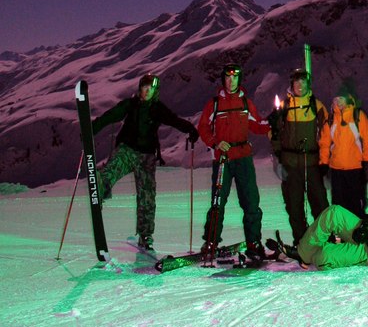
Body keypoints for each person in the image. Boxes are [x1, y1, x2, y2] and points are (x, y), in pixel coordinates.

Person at [92, 73, 198, 250]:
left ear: (155, 91)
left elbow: (174, 120)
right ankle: (100, 188)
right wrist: (92, 129)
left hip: (147, 156)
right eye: (145, 88)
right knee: (113, 168)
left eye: (151, 89)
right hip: (127, 149)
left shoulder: (158, 108)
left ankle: (145, 235)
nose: (147, 91)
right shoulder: (130, 104)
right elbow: (111, 115)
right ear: (140, 88)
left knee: (147, 197)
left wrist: (190, 129)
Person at [197, 64, 269, 258]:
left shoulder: (246, 103)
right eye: (228, 78)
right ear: (223, 80)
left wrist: (273, 123)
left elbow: (257, 124)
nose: (231, 81)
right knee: (218, 202)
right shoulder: (215, 104)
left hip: (244, 158)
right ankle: (211, 242)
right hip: (223, 160)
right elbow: (203, 128)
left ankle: (253, 241)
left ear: (239, 79)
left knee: (251, 202)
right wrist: (215, 142)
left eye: (235, 77)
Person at [269, 67, 329, 245]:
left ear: (308, 83)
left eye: (303, 81)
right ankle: (301, 241)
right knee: (294, 205)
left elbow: (327, 134)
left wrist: (325, 160)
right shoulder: (284, 107)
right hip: (290, 163)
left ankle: (323, 239)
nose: (300, 85)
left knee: (319, 203)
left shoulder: (316, 105)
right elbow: (274, 133)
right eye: (296, 82)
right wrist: (279, 153)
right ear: (292, 85)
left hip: (312, 163)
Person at [319, 82, 368, 218]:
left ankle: (357, 232)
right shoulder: (331, 119)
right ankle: (340, 233)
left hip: (355, 168)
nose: (339, 102)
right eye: (336, 99)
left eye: (341, 99)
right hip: (336, 169)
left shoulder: (358, 116)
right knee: (338, 204)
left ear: (348, 99)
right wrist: (324, 163)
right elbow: (324, 143)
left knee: (355, 203)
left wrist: (367, 162)